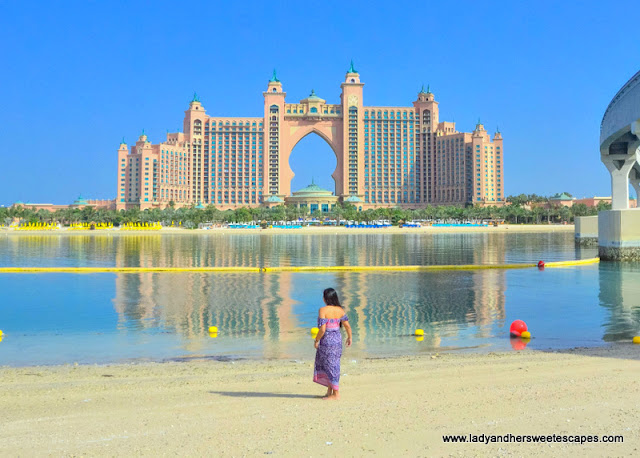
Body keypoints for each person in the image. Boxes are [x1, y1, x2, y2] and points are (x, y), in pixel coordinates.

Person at [313, 288, 352, 400]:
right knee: (332, 364)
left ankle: (336, 394)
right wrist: (350, 337)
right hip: (337, 340)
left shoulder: (323, 310)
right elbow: (347, 326)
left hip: (327, 341)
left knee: (329, 365)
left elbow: (322, 329)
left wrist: (316, 340)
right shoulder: (340, 310)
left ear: (325, 298)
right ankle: (330, 391)